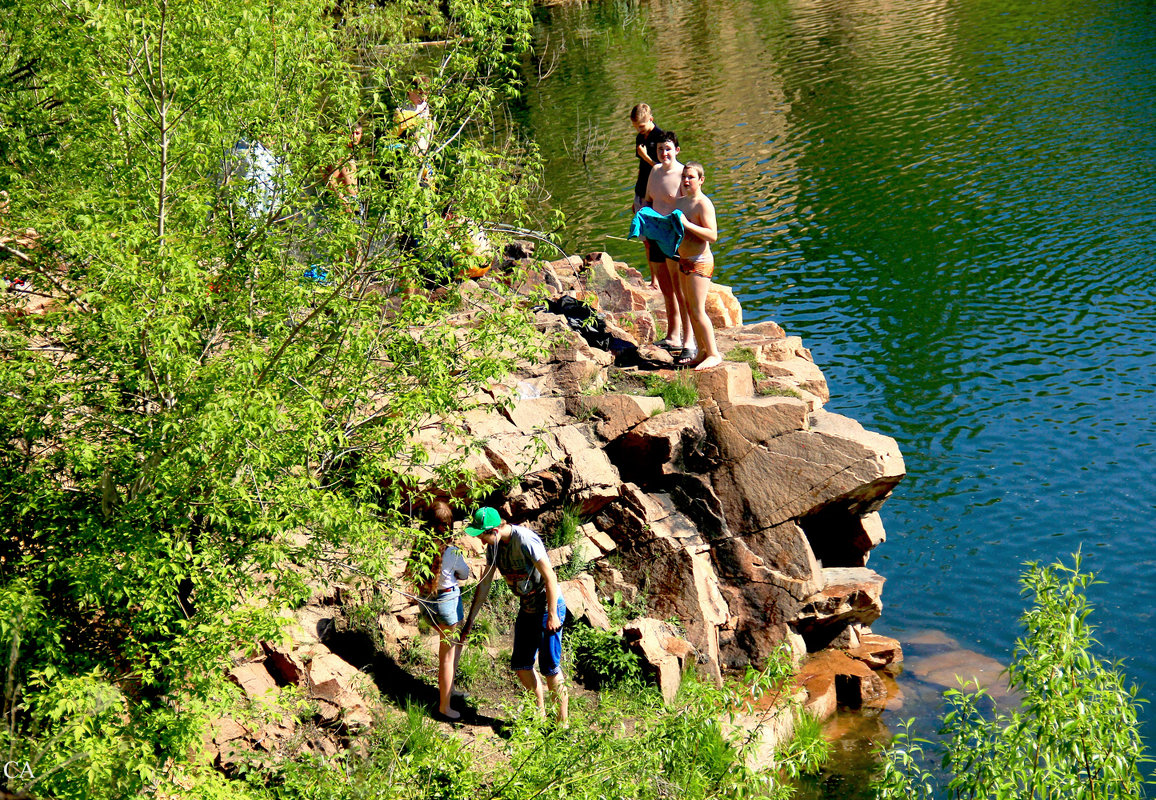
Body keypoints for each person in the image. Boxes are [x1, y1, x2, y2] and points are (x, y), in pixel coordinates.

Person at [463, 507, 568, 724]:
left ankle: (562, 724)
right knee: (521, 665)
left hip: (549, 606)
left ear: (494, 530)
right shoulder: (494, 548)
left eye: (482, 536)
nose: (482, 542)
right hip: (527, 607)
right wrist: (470, 620)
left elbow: (550, 576)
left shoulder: (525, 540)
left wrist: (552, 615)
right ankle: (539, 716)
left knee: (550, 668)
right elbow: (485, 585)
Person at [417, 499, 472, 720]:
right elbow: (465, 574)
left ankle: (449, 689)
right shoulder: (452, 552)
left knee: (453, 646)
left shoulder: (419, 548)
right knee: (447, 657)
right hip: (447, 603)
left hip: (427, 604)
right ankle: (444, 707)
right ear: (448, 526)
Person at [643, 131, 694, 358]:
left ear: (677, 150)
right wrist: (642, 218)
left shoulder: (684, 175)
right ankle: (673, 335)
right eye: (660, 150)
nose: (664, 153)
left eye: (668, 149)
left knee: (681, 289)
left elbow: (692, 206)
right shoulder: (654, 171)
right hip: (656, 233)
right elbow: (648, 199)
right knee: (666, 288)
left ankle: (688, 340)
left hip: (675, 236)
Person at [673, 162, 722, 370]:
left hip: (700, 262)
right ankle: (701, 351)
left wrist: (687, 224)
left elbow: (713, 235)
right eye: (684, 176)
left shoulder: (703, 204)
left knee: (698, 309)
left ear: (701, 180)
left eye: (691, 177)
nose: (686, 180)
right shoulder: (681, 202)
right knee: (690, 309)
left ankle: (713, 353)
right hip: (683, 260)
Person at [630, 104, 665, 288]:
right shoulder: (639, 138)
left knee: (656, 238)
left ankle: (660, 279)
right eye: (636, 127)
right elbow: (641, 170)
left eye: (641, 127)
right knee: (646, 240)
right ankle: (654, 280)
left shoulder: (661, 137)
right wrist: (635, 196)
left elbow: (662, 168)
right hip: (642, 190)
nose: (639, 130)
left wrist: (645, 156)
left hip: (656, 192)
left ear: (651, 119)